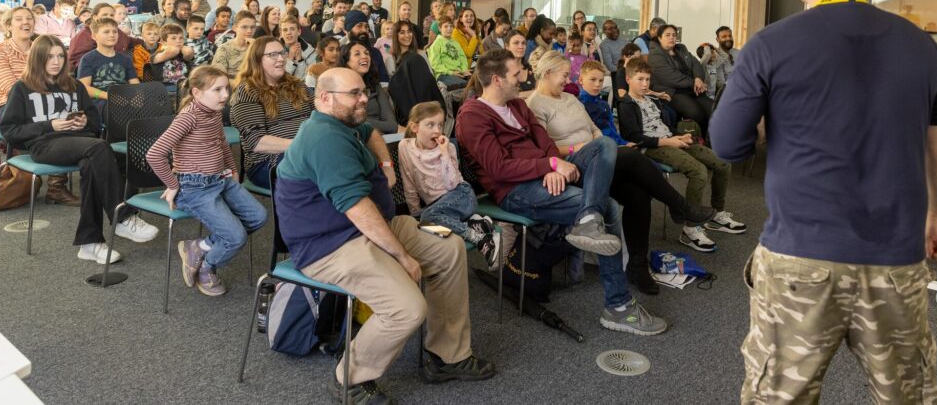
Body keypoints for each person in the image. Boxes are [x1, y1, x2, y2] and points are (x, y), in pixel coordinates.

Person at [712, 0, 937, 403]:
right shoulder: (924, 47)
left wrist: (770, 124)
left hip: (800, 259)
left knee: (779, 396)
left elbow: (726, 144)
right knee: (907, 396)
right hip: (896, 259)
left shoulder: (770, 44)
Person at [277, 66, 495, 402]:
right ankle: (348, 379)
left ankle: (447, 356)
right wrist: (402, 256)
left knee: (448, 249)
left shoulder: (343, 123)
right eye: (354, 94)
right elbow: (357, 208)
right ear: (323, 98)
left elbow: (370, 133)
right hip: (331, 245)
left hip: (371, 226)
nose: (364, 98)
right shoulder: (323, 138)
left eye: (364, 91)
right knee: (407, 308)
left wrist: (387, 167)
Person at [456, 49, 666, 335]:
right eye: (516, 74)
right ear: (496, 79)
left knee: (604, 145)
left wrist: (551, 166)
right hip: (515, 190)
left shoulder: (517, 105)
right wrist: (549, 165)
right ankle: (618, 306)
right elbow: (499, 169)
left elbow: (545, 144)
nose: (523, 78)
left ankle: (588, 221)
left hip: (544, 176)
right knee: (606, 207)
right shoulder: (472, 116)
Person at [534, 53, 712, 294]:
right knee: (628, 154)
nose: (568, 80)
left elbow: (595, 129)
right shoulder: (536, 104)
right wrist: (590, 147)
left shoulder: (570, 98)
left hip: (598, 158)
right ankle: (679, 205)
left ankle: (637, 265)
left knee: (637, 194)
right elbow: (546, 149)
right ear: (547, 74)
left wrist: (600, 144)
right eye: (564, 75)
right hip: (573, 166)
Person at [0, 35, 159, 262]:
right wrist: (50, 125)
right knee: (100, 149)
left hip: (81, 143)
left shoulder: (74, 86)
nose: (56, 62)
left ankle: (90, 242)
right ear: (37, 59)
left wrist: (84, 123)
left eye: (60, 56)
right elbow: (9, 132)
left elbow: (95, 124)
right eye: (49, 57)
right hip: (45, 144)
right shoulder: (23, 88)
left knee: (92, 163)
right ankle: (122, 216)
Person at [147, 65, 267, 296]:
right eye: (217, 90)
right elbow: (154, 154)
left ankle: (199, 247)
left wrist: (232, 169)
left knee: (259, 216)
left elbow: (222, 143)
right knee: (235, 237)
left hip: (220, 179)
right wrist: (173, 185)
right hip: (194, 188)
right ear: (196, 93)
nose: (225, 95)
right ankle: (207, 267)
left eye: (226, 89)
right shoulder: (188, 117)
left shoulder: (213, 111)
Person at [618, 58, 743, 253]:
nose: (645, 84)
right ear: (628, 79)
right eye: (640, 79)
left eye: (647, 79)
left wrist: (679, 135)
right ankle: (690, 228)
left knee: (722, 163)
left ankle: (717, 212)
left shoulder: (652, 100)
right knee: (698, 171)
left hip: (669, 139)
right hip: (652, 147)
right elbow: (633, 137)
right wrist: (669, 141)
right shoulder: (626, 104)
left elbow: (664, 127)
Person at [399, 101, 499, 267]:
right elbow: (408, 181)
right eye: (430, 125)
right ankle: (476, 224)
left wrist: (444, 153)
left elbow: (452, 184)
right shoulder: (405, 147)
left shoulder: (448, 147)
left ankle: (479, 238)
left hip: (461, 195)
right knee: (424, 226)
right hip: (440, 207)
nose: (437, 130)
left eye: (440, 124)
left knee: (428, 218)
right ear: (414, 127)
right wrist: (414, 212)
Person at [229, 37, 314, 190]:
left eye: (282, 53)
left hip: (308, 152)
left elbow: (321, 115)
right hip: (267, 162)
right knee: (320, 170)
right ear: (256, 60)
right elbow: (257, 142)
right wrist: (304, 146)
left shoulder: (298, 85)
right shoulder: (248, 91)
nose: (281, 58)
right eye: (273, 55)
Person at [647, 23, 714, 137]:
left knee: (714, 110)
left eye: (674, 35)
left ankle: (714, 142)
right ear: (659, 38)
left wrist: (698, 78)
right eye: (667, 35)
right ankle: (701, 141)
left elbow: (696, 64)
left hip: (692, 89)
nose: (672, 37)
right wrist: (695, 83)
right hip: (672, 92)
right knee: (696, 114)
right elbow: (671, 77)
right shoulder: (655, 56)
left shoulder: (681, 49)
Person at [77, 17, 140, 118]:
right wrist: (109, 96)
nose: (112, 35)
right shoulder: (88, 59)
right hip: (100, 101)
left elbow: (135, 84)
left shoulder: (125, 59)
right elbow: (84, 88)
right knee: (118, 111)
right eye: (106, 32)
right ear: (94, 36)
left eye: (115, 31)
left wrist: (138, 96)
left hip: (124, 96)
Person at [338, 40, 400, 135]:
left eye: (366, 53)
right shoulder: (339, 89)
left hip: (387, 135)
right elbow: (353, 121)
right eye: (357, 54)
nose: (364, 56)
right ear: (346, 61)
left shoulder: (374, 84)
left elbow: (390, 120)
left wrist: (391, 127)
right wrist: (390, 127)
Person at [0, 6, 34, 124]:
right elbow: (11, 88)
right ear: (8, 26)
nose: (26, 22)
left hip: (41, 101)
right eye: (18, 19)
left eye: (29, 18)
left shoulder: (41, 50)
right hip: (7, 105)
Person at [68, 3, 138, 71]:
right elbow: (76, 62)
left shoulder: (116, 31)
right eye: (105, 15)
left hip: (121, 71)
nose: (109, 17)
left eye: (111, 15)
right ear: (95, 17)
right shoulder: (84, 35)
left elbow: (130, 41)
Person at [427, 16, 470, 87]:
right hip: (444, 75)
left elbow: (462, 57)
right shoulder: (436, 44)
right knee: (466, 86)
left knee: (477, 83)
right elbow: (435, 64)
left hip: (459, 73)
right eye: (446, 26)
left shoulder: (455, 43)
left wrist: (464, 70)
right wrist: (451, 72)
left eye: (451, 26)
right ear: (440, 28)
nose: (449, 29)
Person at [212, 11, 256, 80]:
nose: (249, 31)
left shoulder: (259, 48)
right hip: (231, 87)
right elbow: (219, 77)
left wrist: (254, 49)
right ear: (235, 28)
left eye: (253, 27)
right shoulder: (224, 49)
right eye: (244, 27)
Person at [150, 23, 191, 89]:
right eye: (173, 38)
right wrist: (166, 47)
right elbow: (174, 50)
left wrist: (182, 48)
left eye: (181, 38)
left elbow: (189, 52)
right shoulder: (156, 55)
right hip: (165, 89)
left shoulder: (183, 53)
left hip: (184, 86)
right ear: (163, 42)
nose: (178, 41)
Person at [504, 29, 535, 94]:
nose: (521, 46)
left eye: (523, 43)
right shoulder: (499, 69)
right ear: (507, 46)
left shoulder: (532, 69)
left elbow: (539, 92)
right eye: (516, 43)